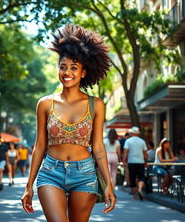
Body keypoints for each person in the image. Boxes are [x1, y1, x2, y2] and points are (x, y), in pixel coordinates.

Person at [21, 24, 116, 221]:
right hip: (50, 173)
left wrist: (108, 184)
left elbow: (98, 147)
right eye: (63, 67)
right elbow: (40, 146)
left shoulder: (95, 105)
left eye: (74, 67)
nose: (67, 72)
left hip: (85, 174)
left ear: (83, 72)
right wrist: (28, 185)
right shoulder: (45, 104)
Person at [123, 126, 148, 200]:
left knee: (132, 178)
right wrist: (146, 162)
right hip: (141, 162)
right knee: (141, 177)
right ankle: (140, 189)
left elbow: (125, 151)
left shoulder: (128, 141)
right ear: (138, 133)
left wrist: (124, 160)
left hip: (131, 162)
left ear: (131, 133)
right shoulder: (142, 141)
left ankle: (134, 195)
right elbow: (145, 153)